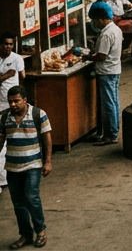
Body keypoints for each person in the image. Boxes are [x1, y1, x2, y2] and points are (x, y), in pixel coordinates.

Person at [2, 86, 50, 248]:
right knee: (18, 203)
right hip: (12, 167)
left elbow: (47, 139)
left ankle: (40, 231)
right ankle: (26, 234)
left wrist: (48, 161)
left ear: (25, 100)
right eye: (10, 102)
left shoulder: (38, 114)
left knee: (31, 197)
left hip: (33, 165)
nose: (13, 104)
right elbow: (0, 140)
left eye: (16, 101)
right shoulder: (4, 118)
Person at [87, 9, 122, 146]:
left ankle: (111, 134)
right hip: (114, 69)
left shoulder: (106, 34)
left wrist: (89, 56)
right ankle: (112, 130)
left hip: (106, 71)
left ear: (102, 19)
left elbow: (101, 55)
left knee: (108, 104)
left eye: (96, 20)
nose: (95, 23)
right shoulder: (116, 29)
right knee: (113, 102)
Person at [0, 35, 21, 197]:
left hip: (10, 104)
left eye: (11, 44)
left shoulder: (16, 58)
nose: (8, 47)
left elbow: (19, 74)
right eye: (6, 44)